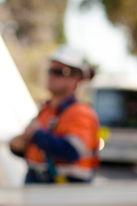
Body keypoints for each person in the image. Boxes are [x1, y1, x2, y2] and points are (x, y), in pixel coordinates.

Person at [9, 44, 100, 183]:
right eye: (50, 70)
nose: (51, 75)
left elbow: (71, 151)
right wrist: (17, 145)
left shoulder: (81, 112)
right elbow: (36, 151)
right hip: (38, 187)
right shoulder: (47, 109)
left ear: (75, 79)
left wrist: (36, 134)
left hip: (65, 194)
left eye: (59, 72)